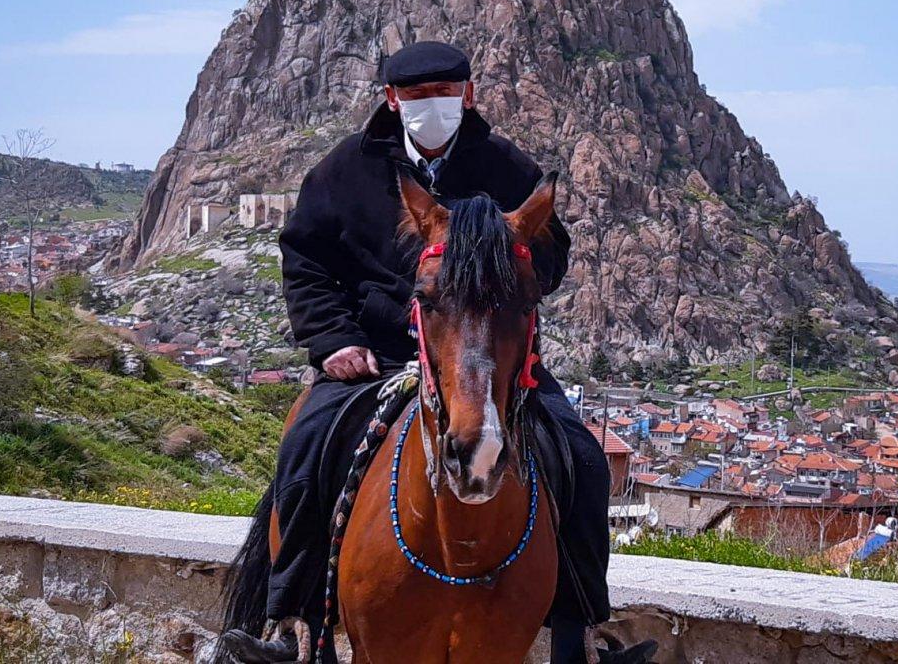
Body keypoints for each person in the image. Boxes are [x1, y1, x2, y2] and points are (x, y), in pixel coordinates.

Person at [222, 41, 654, 664]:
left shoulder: (506, 166)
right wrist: (334, 339)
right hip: (374, 354)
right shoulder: (345, 169)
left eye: (444, 94)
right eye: (417, 96)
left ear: (468, 95)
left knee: (582, 458)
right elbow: (306, 258)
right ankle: (291, 622)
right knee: (306, 445)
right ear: (392, 99)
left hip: (484, 353)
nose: (432, 105)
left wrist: (508, 266)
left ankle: (580, 633)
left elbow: (550, 251)